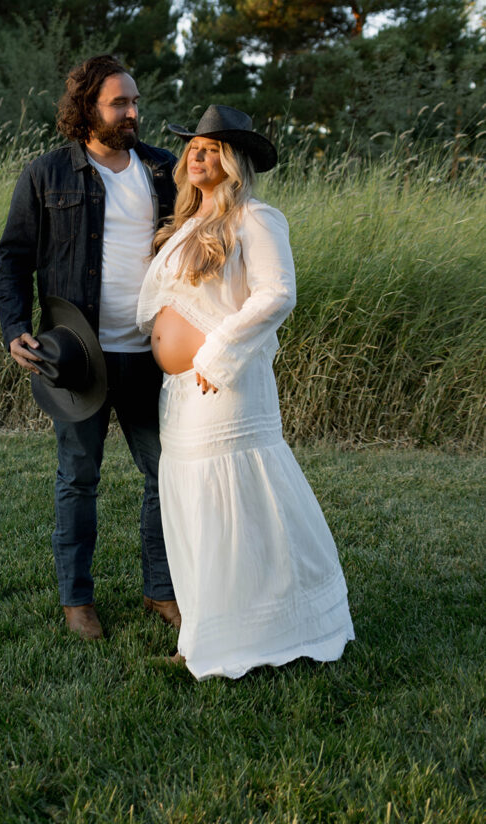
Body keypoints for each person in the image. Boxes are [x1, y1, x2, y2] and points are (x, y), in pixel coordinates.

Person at [137, 104, 355, 679]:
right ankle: (202, 635)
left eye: (212, 147)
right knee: (189, 504)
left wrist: (216, 352)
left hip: (223, 387)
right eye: (193, 147)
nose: (198, 154)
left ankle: (268, 630)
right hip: (180, 392)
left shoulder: (256, 218)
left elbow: (277, 294)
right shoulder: (185, 223)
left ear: (232, 161)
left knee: (229, 505)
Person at [0, 54, 181, 640]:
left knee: (165, 474)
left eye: (135, 101)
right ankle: (77, 599)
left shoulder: (164, 170)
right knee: (79, 478)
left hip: (151, 355)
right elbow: (13, 258)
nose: (132, 112)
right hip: (78, 358)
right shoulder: (47, 174)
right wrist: (13, 326)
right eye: (119, 103)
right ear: (87, 109)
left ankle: (160, 590)